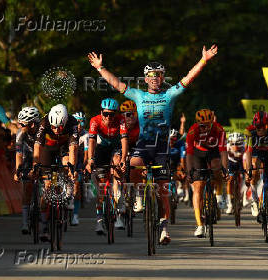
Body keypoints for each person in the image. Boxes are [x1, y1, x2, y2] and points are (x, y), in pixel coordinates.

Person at [88, 44, 218, 244]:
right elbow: (117, 84)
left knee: (163, 191)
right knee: (130, 167)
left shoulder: (169, 95)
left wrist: (203, 60)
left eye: (159, 75)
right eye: (151, 75)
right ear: (146, 79)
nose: (155, 78)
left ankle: (164, 229)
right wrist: (99, 68)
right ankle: (139, 196)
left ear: (162, 78)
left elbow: (188, 78)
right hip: (144, 144)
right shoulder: (139, 96)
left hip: (162, 147)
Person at [33, 104, 78, 241]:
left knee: (66, 166)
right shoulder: (44, 121)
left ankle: (64, 193)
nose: (56, 130)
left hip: (64, 148)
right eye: (53, 127)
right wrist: (35, 165)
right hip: (48, 148)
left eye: (59, 127)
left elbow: (73, 147)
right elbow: (37, 146)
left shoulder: (72, 122)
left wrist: (72, 168)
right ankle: (44, 224)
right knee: (47, 187)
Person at [85, 98, 128, 233]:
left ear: (116, 114)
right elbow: (91, 141)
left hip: (116, 148)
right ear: (101, 112)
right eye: (106, 114)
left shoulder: (121, 120)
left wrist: (124, 160)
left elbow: (124, 140)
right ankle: (99, 220)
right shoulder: (95, 120)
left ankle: (119, 212)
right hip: (102, 149)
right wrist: (90, 159)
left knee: (117, 167)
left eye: (112, 114)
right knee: (102, 188)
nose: (109, 117)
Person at [186, 109, 228, 237]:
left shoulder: (219, 130)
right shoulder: (192, 131)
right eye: (202, 126)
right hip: (198, 154)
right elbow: (189, 153)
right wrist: (189, 172)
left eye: (208, 125)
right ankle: (199, 225)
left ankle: (219, 195)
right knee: (198, 187)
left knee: (217, 166)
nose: (205, 128)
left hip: (213, 151)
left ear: (212, 122)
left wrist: (225, 169)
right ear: (198, 124)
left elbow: (223, 152)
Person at [14, 106, 40, 234]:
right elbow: (18, 154)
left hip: (42, 155)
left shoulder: (42, 130)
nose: (20, 126)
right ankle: (25, 222)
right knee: (27, 187)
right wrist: (17, 170)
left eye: (22, 124)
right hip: (28, 156)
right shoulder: (20, 133)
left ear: (33, 124)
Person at [71, 111, 88, 225]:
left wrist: (85, 165)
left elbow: (87, 154)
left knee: (76, 187)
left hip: (80, 160)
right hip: (69, 158)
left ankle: (75, 215)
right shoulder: (69, 132)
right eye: (77, 122)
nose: (79, 126)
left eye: (81, 123)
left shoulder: (86, 135)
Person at [226, 132, 245, 214]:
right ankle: (229, 204)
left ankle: (241, 196)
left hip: (240, 162)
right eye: (232, 143)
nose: (235, 145)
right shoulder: (227, 146)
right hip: (231, 162)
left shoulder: (244, 146)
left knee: (244, 179)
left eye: (237, 143)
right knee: (229, 181)